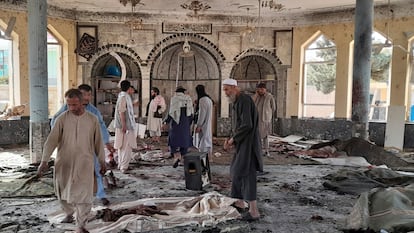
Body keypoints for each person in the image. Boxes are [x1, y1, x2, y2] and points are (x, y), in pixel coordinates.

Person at [37, 88, 106, 233]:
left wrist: (102, 161)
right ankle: (69, 213)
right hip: (64, 163)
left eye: (74, 105)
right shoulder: (62, 119)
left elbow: (98, 142)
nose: (71, 108)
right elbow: (51, 141)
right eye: (69, 105)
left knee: (84, 195)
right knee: (62, 192)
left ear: (82, 103)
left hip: (84, 163)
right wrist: (44, 161)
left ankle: (81, 224)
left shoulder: (92, 120)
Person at [51, 84, 113, 206]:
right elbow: (55, 124)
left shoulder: (93, 111)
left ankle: (101, 195)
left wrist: (106, 142)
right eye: (84, 94)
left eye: (89, 94)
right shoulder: (65, 111)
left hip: (88, 147)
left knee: (96, 170)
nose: (87, 97)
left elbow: (101, 127)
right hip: (70, 148)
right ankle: (70, 198)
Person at [222, 78, 263, 221]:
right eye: (224, 90)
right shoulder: (238, 101)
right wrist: (231, 139)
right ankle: (239, 201)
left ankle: (254, 211)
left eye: (227, 89)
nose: (225, 93)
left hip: (249, 144)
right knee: (237, 170)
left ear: (234, 88)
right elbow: (237, 125)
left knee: (247, 173)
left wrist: (233, 139)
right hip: (242, 143)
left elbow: (247, 125)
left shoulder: (244, 100)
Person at [163, 86, 193, 168]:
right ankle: (183, 158)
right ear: (184, 92)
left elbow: (171, 112)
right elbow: (191, 112)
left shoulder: (174, 99)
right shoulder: (188, 99)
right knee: (185, 139)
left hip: (176, 122)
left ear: (176, 92)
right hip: (185, 122)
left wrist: (166, 121)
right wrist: (190, 122)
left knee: (174, 139)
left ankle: (177, 156)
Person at [114, 80, 137, 173]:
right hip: (125, 125)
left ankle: (121, 164)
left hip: (125, 125)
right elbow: (122, 112)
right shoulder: (123, 97)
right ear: (129, 88)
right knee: (126, 146)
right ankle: (124, 166)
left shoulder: (123, 96)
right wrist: (124, 125)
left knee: (122, 145)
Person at [252, 82, 276, 157]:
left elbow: (273, 107)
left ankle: (266, 150)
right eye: (259, 89)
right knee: (257, 135)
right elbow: (252, 103)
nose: (261, 91)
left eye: (262, 89)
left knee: (265, 136)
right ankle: (259, 150)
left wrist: (268, 114)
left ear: (265, 89)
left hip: (265, 119)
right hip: (257, 119)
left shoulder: (269, 96)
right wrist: (256, 94)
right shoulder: (257, 96)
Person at [194, 84, 213, 162]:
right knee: (208, 140)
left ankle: (203, 160)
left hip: (203, 124)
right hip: (208, 122)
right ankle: (210, 158)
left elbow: (202, 114)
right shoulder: (208, 99)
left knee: (203, 142)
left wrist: (199, 125)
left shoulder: (202, 100)